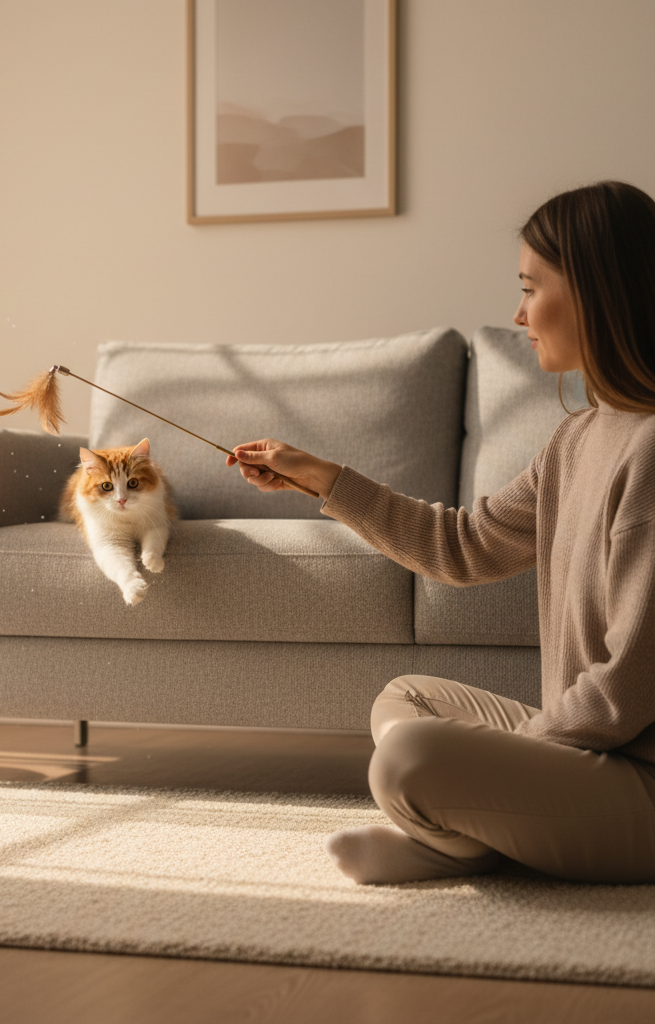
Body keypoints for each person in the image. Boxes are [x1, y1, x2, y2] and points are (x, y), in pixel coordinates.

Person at [228, 181, 655, 885]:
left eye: (530, 287)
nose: (518, 313)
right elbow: (461, 547)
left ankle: (460, 838)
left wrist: (525, 748)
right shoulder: (576, 439)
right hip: (590, 754)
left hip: (636, 782)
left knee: (409, 759)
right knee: (408, 699)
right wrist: (323, 479)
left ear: (596, 293)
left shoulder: (648, 453)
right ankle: (475, 833)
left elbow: (627, 692)